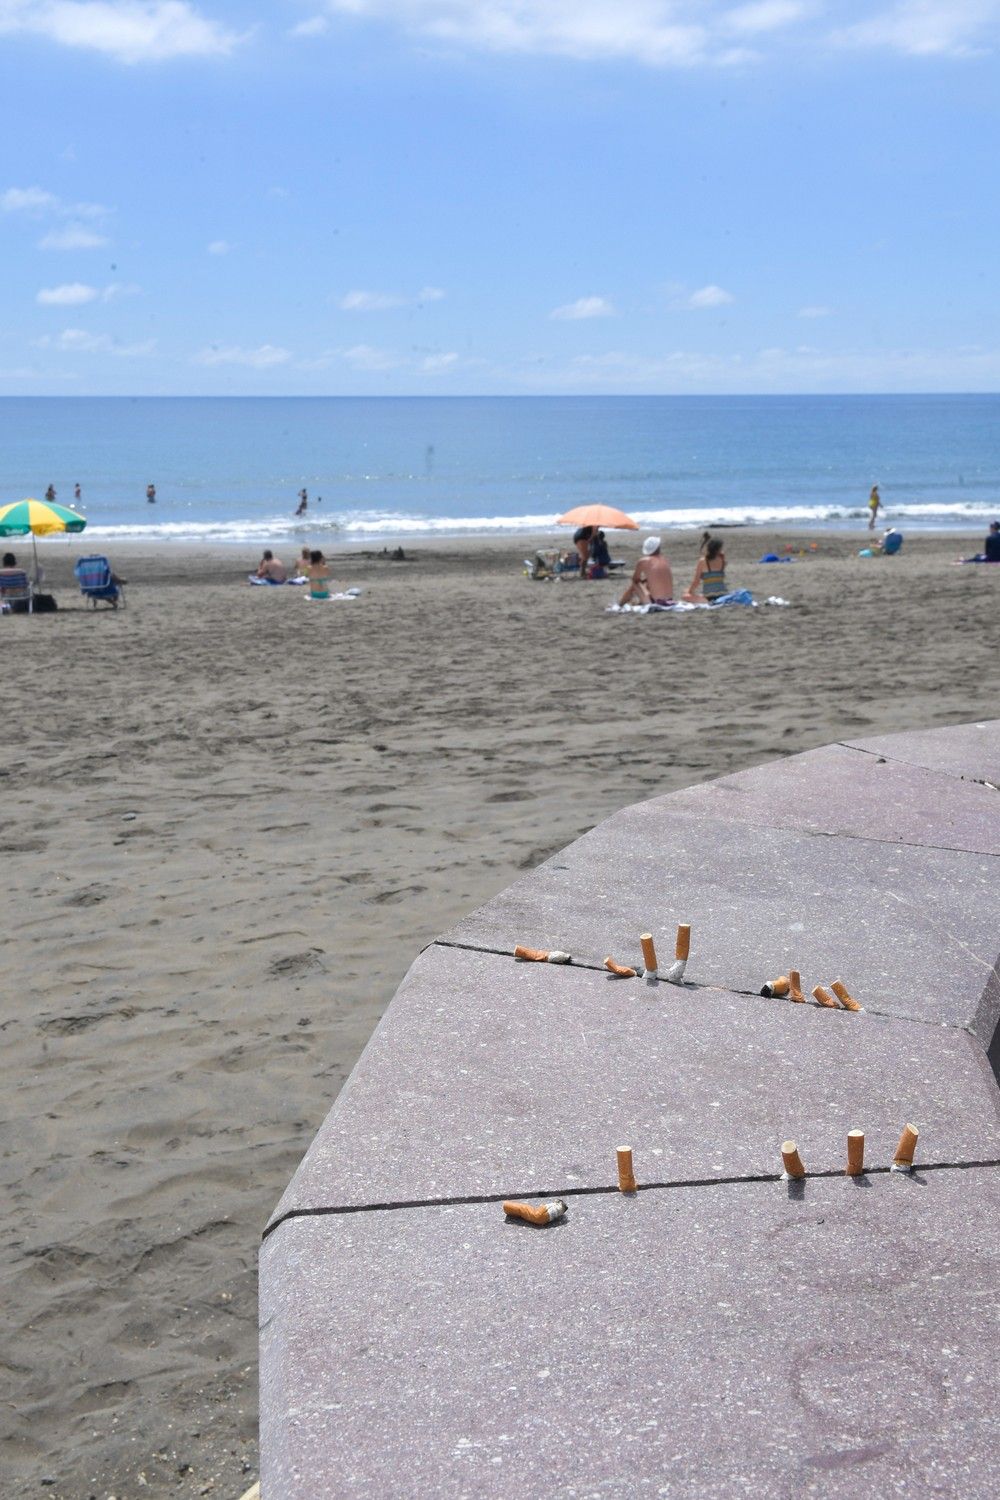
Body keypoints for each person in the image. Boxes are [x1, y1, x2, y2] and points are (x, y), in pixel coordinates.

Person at [618, 536, 673, 607]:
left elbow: (635, 579)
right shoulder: (665, 560)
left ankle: (620, 604)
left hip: (655, 602)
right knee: (648, 582)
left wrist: (642, 581)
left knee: (635, 583)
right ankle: (633, 602)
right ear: (658, 548)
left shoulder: (644, 561)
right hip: (669, 600)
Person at [683, 536, 727, 602]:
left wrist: (689, 591)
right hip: (723, 595)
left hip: (709, 597)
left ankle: (705, 601)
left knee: (685, 596)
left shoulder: (703, 561)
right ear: (719, 549)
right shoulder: (723, 561)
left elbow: (696, 581)